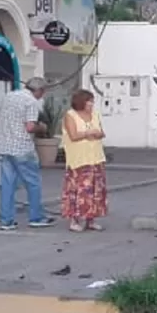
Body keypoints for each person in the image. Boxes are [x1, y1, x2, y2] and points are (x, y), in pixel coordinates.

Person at [0, 77, 56, 231]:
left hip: (4, 147)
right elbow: (29, 127)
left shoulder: (8, 97)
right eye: (43, 92)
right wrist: (41, 127)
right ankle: (36, 217)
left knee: (8, 184)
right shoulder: (31, 102)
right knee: (33, 183)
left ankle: (7, 221)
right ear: (39, 91)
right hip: (22, 148)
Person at [61, 89, 108, 232]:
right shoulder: (70, 115)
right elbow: (73, 135)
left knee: (95, 189)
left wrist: (98, 134)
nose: (92, 104)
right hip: (79, 159)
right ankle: (74, 220)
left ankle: (91, 219)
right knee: (79, 189)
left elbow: (101, 132)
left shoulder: (95, 115)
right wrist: (88, 133)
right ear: (81, 101)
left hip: (95, 157)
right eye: (89, 101)